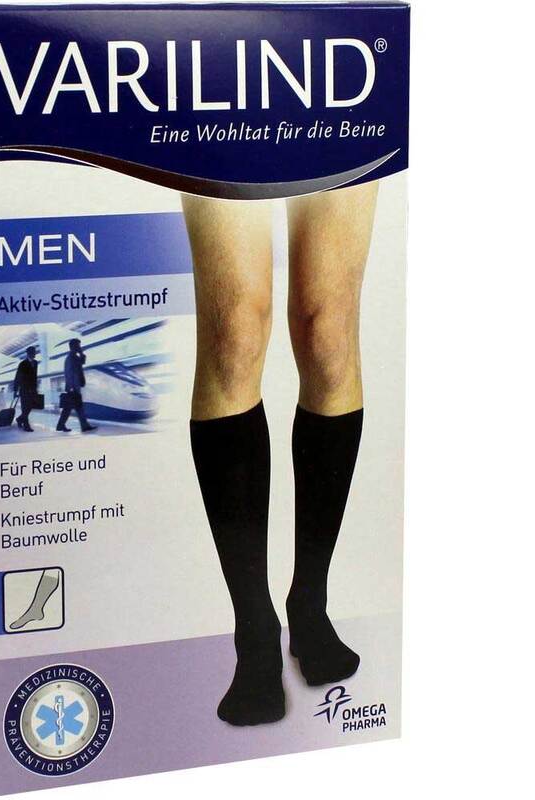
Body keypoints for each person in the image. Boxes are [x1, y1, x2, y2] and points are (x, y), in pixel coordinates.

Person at [184, 182, 378, 726]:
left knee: (328, 332)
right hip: (219, 124)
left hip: (328, 122)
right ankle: (254, 630)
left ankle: (309, 603)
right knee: (235, 330)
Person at [56, 339, 96, 433]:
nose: (80, 347)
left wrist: (81, 353)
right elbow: (70, 373)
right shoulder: (71, 357)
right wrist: (72, 387)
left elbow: (82, 362)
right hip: (73, 386)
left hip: (74, 386)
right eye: (78, 346)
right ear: (74, 346)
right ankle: (84, 426)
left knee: (71, 407)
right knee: (74, 407)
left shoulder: (73, 356)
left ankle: (62, 425)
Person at [14, 345, 40, 432]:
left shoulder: (35, 363)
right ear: (29, 353)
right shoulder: (22, 364)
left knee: (30, 407)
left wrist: (35, 388)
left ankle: (19, 419)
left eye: (35, 352)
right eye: (33, 352)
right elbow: (17, 377)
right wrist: (15, 390)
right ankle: (26, 425)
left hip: (32, 389)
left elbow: (34, 376)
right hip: (24, 389)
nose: (35, 354)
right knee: (25, 407)